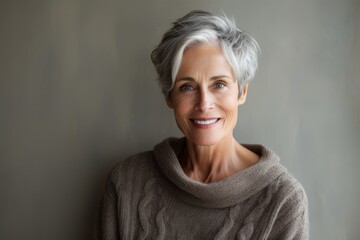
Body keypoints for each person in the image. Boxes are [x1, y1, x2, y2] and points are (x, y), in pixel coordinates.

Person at [94, 10, 309, 240]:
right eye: (187, 87)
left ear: (242, 91)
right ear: (169, 96)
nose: (204, 104)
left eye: (219, 84)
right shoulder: (127, 183)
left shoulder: (283, 202)